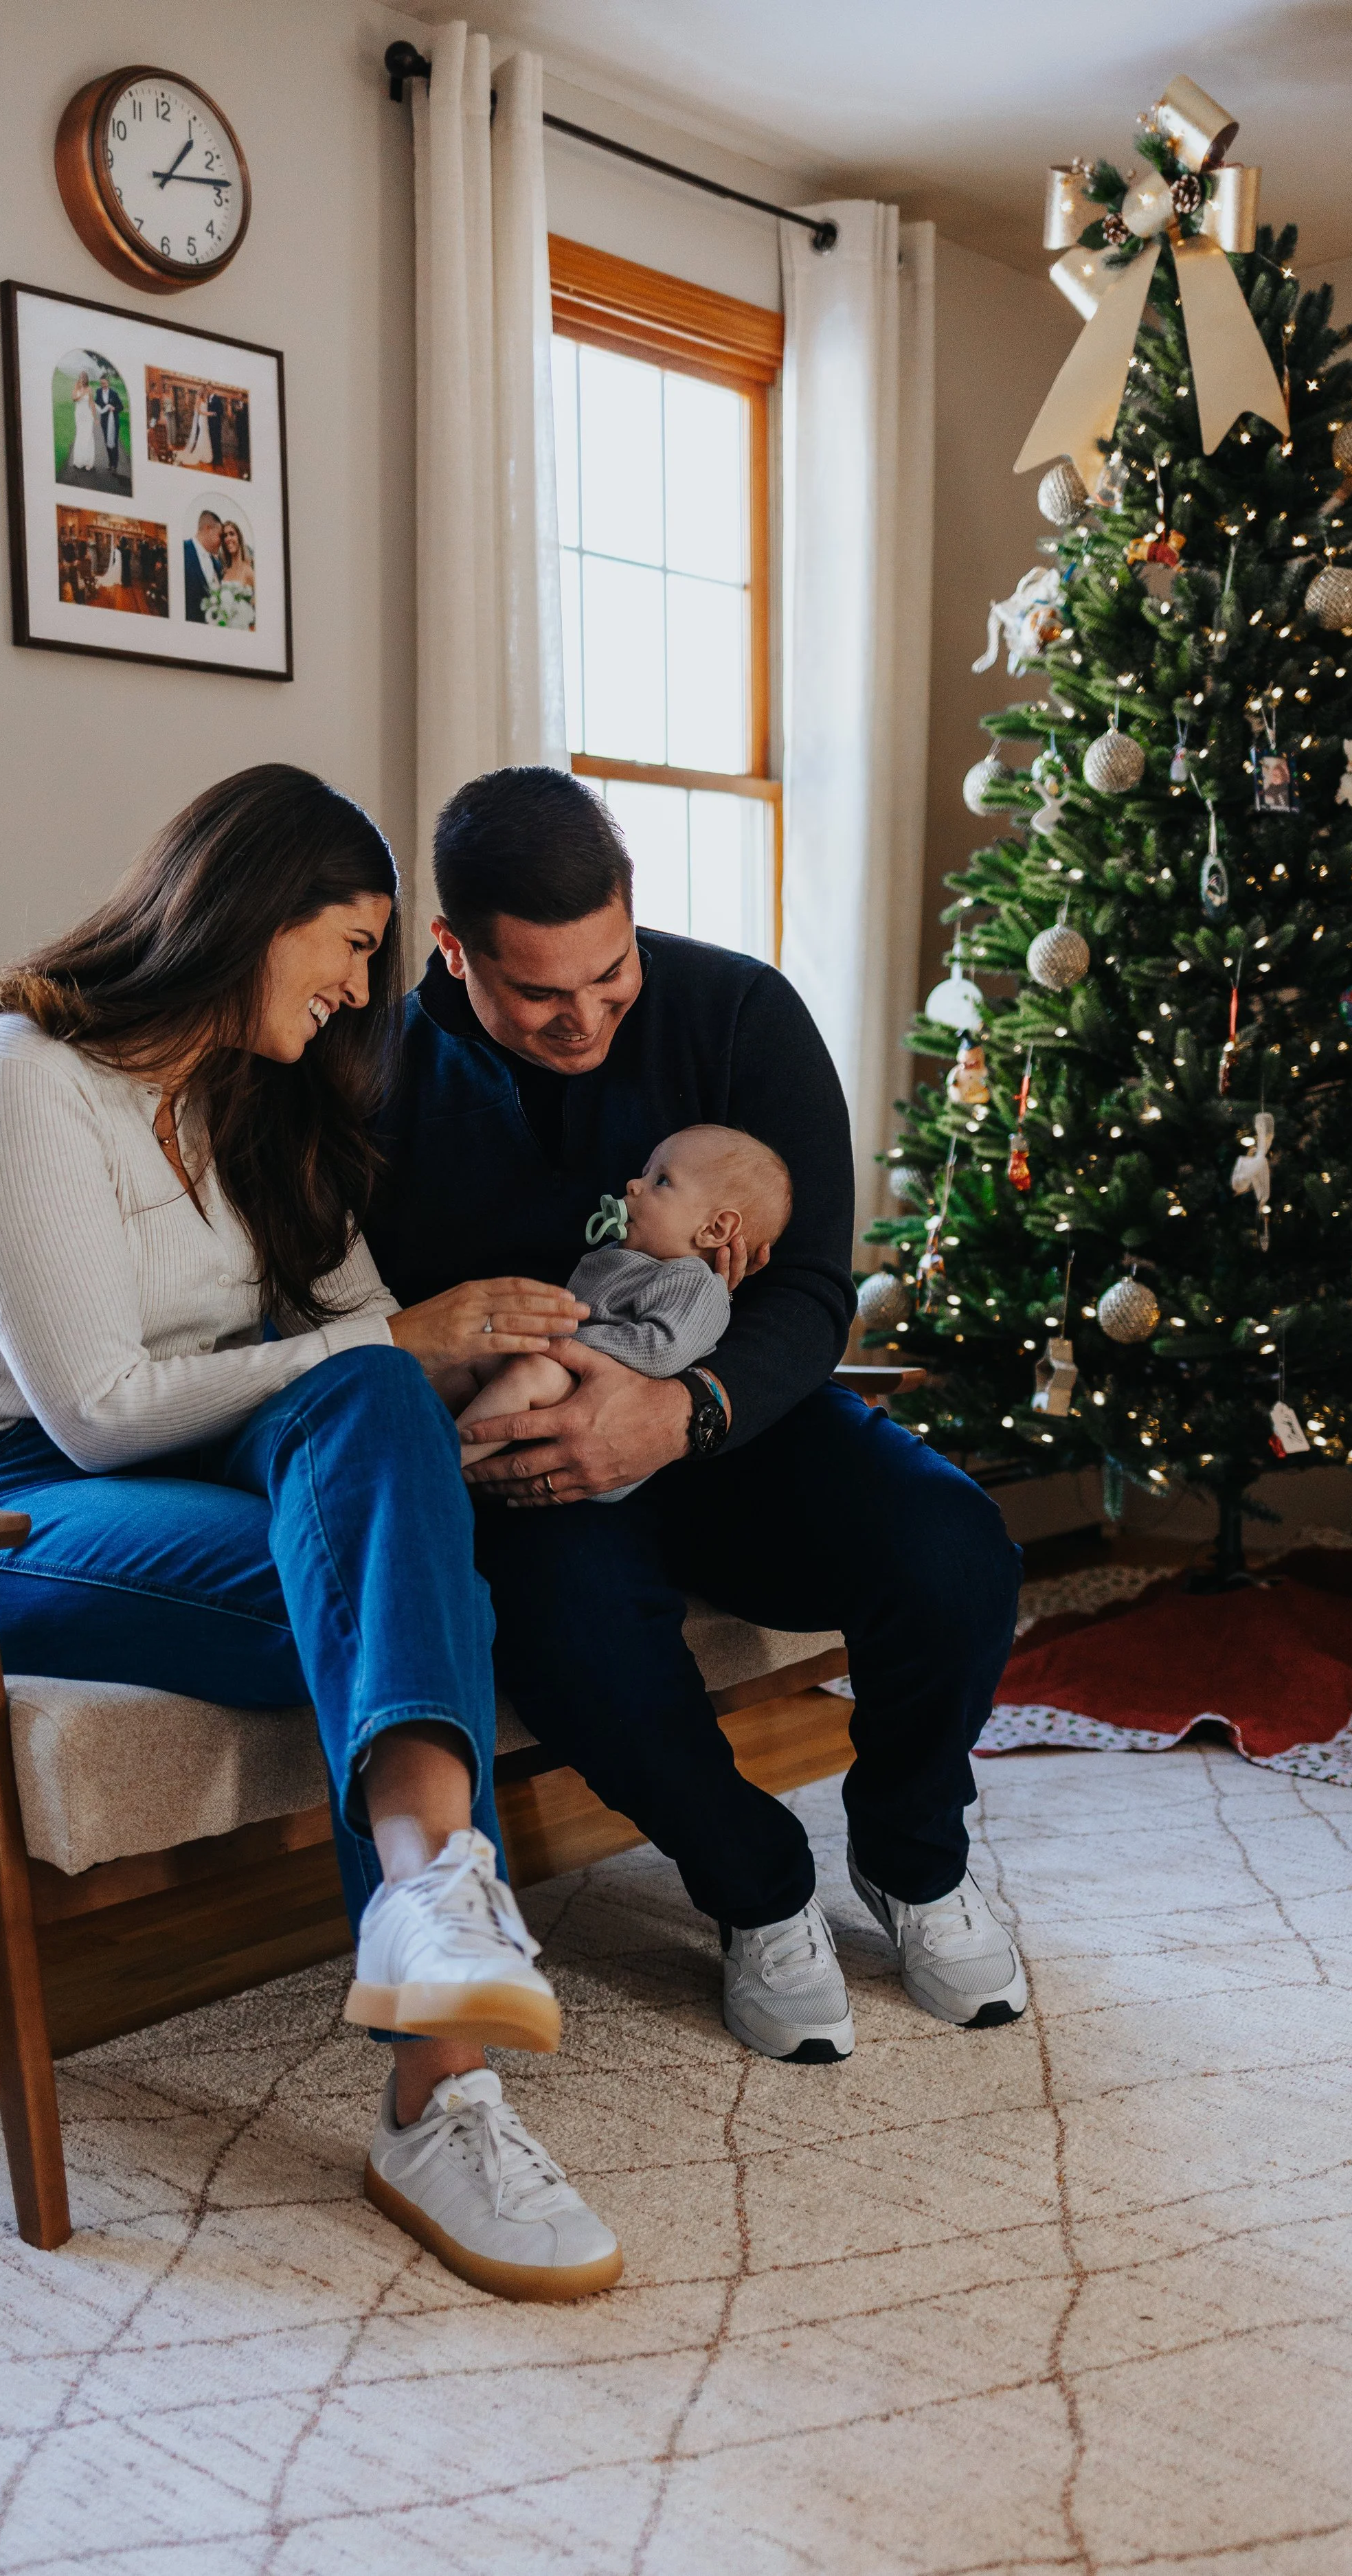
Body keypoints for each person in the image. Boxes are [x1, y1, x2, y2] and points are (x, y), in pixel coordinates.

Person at [0, 765, 623, 2302]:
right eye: (349, 944)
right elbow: (91, 1409)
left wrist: (488, 1373)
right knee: (406, 1586)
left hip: (200, 1478)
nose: (364, 990)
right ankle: (442, 2083)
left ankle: (429, 1920)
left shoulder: (263, 1097)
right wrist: (390, 1350)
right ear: (248, 910)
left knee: (375, 1427)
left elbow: (360, 1344)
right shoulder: (17, 1071)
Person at [366, 767, 1026, 2068]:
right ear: (455, 952)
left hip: (739, 1430)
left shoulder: (738, 1011)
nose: (587, 1015)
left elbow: (819, 1287)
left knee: (953, 1544)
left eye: (609, 973)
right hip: (532, 1467)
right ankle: (757, 1887)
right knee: (575, 1637)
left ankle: (911, 1856)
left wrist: (688, 1406)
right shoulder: (380, 1072)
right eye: (541, 993)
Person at [453, 1127, 788, 1507]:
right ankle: (410, 1431)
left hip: (609, 1418)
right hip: (570, 1379)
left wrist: (559, 1344)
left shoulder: (696, 1284)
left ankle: (436, 1464)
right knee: (475, 1356)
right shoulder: (628, 1258)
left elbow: (662, 1350)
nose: (633, 1185)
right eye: (645, 1173)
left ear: (715, 1229)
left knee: (531, 1372)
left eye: (661, 1180)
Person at [183, 508, 222, 623]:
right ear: (208, 529)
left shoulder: (217, 565)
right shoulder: (182, 550)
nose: (222, 542)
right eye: (220, 536)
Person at [93, 374, 124, 486]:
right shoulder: (98, 392)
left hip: (114, 421)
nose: (103, 385)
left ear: (108, 382)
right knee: (107, 442)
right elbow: (96, 402)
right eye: (101, 383)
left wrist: (114, 408)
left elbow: (121, 407)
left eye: (105, 383)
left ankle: (115, 465)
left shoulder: (114, 394)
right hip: (105, 421)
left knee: (114, 442)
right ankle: (110, 462)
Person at [67, 372, 98, 477]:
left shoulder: (89, 389)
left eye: (84, 378)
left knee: (88, 436)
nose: (83, 380)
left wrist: (95, 418)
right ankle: (80, 461)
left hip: (88, 415)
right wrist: (82, 394)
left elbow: (92, 404)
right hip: (79, 415)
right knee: (80, 436)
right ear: (79, 378)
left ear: (86, 379)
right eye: (81, 378)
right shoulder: (76, 387)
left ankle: (89, 462)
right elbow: (74, 399)